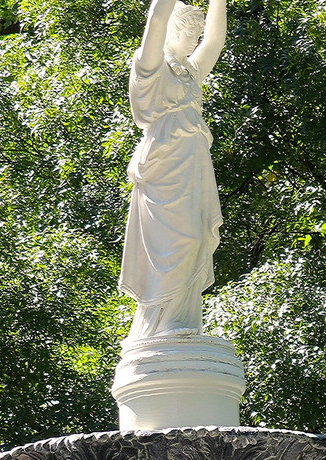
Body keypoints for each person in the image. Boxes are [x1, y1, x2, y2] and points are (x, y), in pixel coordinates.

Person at [119, 0, 227, 341]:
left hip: (193, 167)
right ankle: (161, 324)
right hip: (163, 171)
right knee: (175, 245)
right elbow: (156, 18)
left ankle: (181, 321)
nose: (196, 39)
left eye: (197, 32)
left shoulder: (190, 74)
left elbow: (215, 41)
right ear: (173, 31)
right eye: (190, 32)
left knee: (196, 240)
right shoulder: (149, 68)